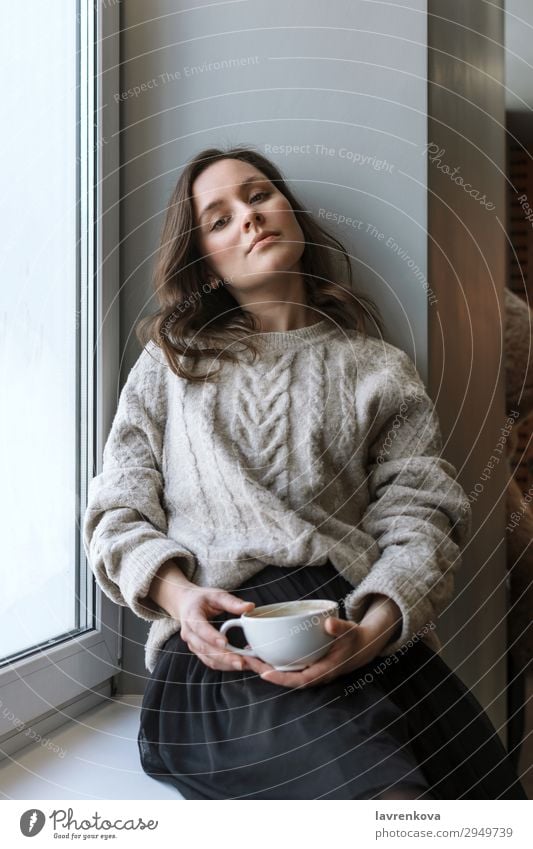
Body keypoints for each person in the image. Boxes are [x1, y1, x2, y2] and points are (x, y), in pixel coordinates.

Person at [83, 145, 527, 801]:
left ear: (287, 208)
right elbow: (116, 513)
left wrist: (371, 632)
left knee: (488, 798)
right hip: (219, 657)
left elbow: (424, 517)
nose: (248, 217)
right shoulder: (170, 363)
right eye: (219, 217)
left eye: (258, 194)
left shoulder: (377, 368)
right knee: (382, 797)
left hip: (353, 633)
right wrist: (181, 600)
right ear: (203, 257)